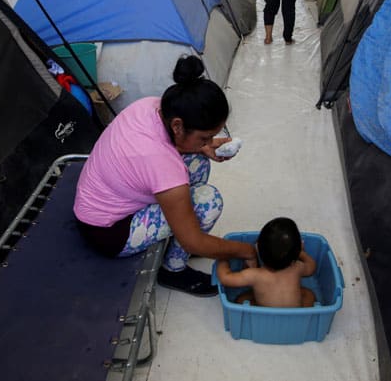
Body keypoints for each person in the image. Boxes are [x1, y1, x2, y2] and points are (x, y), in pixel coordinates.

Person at [73, 55, 257, 296]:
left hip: (97, 203)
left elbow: (162, 150)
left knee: (198, 161)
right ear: (178, 126)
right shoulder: (161, 162)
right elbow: (193, 241)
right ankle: (173, 271)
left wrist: (200, 147)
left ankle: (178, 232)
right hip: (109, 232)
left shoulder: (152, 106)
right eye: (204, 138)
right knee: (208, 202)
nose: (210, 142)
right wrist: (246, 251)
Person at [216, 217, 317, 308]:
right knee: (309, 294)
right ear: (295, 255)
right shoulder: (297, 267)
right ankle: (302, 315)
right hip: (295, 312)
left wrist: (222, 258)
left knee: (242, 299)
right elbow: (312, 267)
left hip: (265, 310)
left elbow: (225, 278)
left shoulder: (254, 275)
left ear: (258, 250)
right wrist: (300, 253)